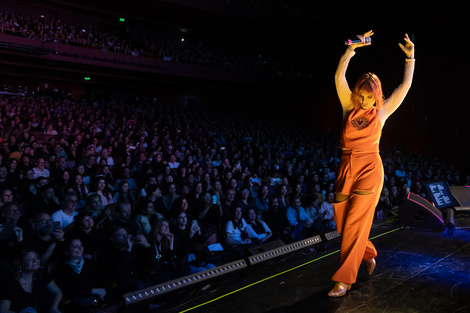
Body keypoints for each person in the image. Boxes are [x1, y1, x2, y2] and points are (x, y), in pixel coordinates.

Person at [328, 30, 415, 297]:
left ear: (376, 95)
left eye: (369, 97)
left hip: (369, 170)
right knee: (343, 225)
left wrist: (410, 59)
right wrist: (350, 50)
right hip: (346, 167)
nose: (364, 101)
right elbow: (338, 76)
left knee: (353, 225)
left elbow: (404, 88)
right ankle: (367, 252)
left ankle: (344, 280)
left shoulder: (382, 112)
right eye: (361, 95)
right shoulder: (348, 105)